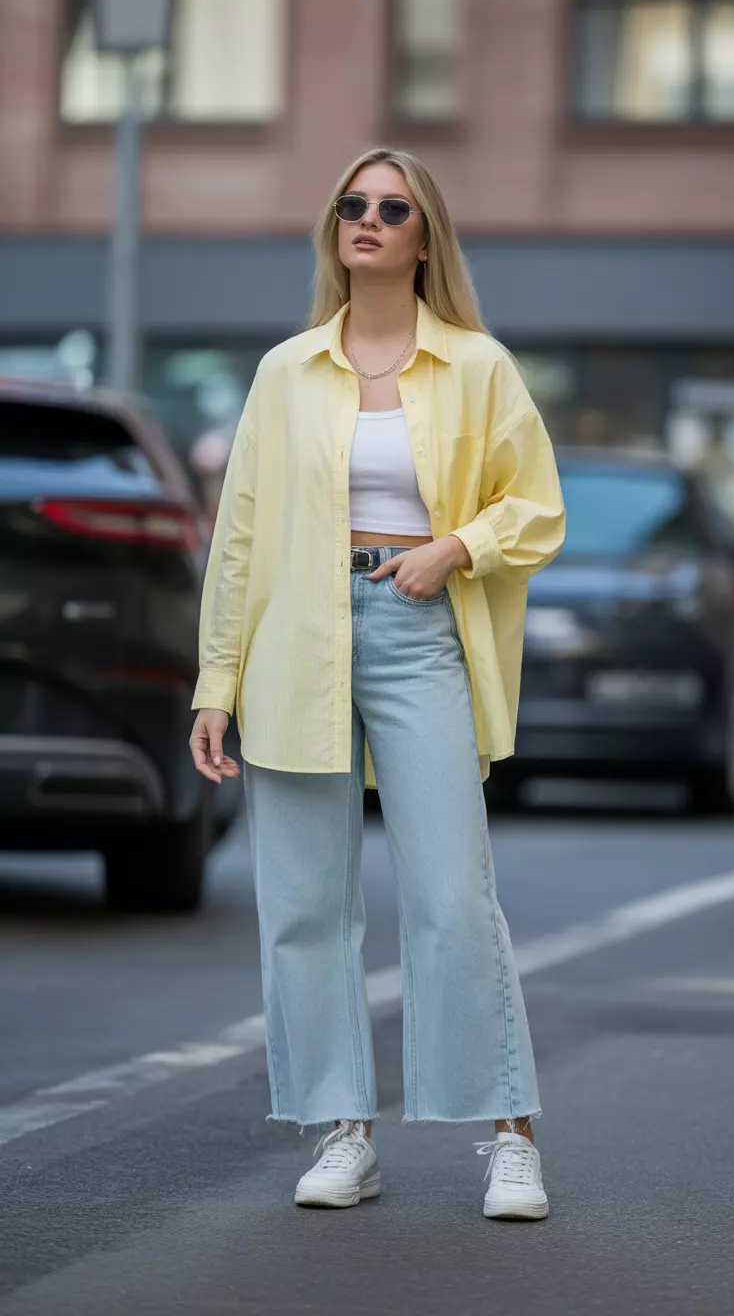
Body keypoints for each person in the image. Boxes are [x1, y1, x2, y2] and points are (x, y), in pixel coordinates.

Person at [189, 147, 565, 1220]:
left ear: (423, 237)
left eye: (391, 209)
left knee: (453, 897)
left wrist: (456, 548)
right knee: (305, 906)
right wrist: (218, 680)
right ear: (334, 229)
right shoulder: (287, 370)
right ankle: (342, 1129)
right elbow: (242, 536)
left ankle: (508, 1134)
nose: (367, 219)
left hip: (416, 629)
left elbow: (536, 507)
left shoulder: (478, 366)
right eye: (351, 205)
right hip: (296, 635)